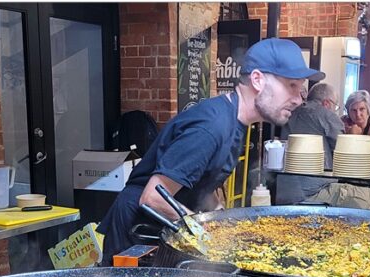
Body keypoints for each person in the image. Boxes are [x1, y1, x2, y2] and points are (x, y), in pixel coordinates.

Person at [97, 38, 324, 264]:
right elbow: (153, 197)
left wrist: (220, 215)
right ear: (258, 79)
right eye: (291, 86)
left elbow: (200, 182)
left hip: (163, 232)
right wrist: (206, 234)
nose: (297, 99)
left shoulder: (235, 121)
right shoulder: (210, 128)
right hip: (136, 236)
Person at [282, 82, 344, 169]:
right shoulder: (329, 116)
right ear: (327, 103)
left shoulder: (290, 113)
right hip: (320, 176)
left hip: (288, 174)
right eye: (335, 106)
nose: (334, 110)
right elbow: (342, 149)